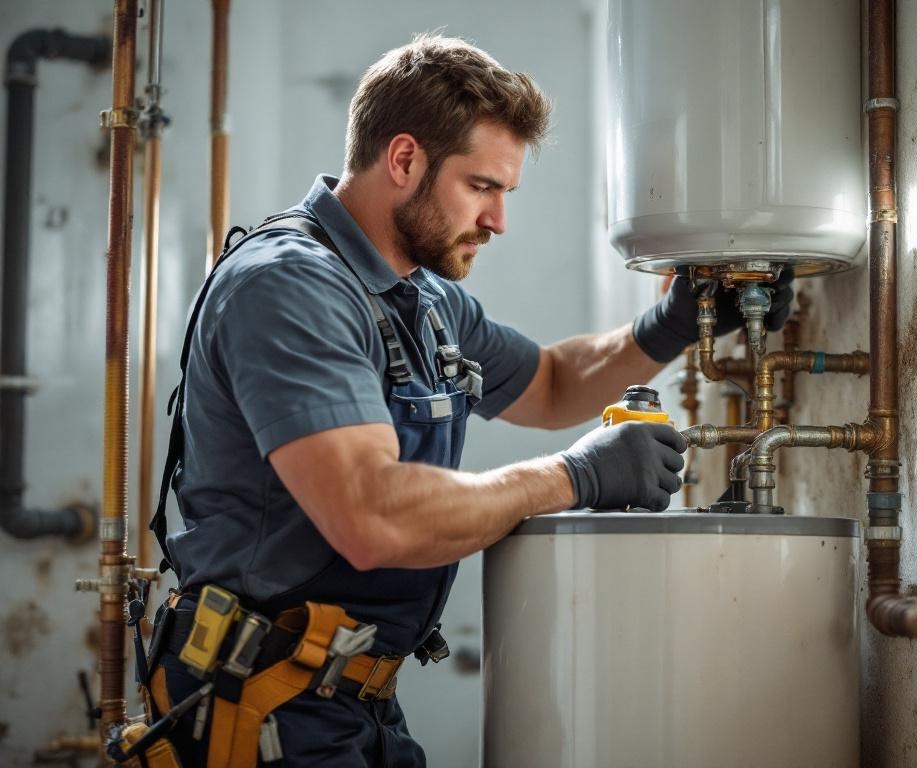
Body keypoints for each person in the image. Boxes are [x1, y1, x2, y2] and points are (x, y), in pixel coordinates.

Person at [143, 33, 792, 768]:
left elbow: (550, 383)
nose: (498, 220)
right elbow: (372, 516)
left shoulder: (423, 300)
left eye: (505, 193)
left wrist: (672, 321)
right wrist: (574, 477)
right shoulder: (291, 287)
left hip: (352, 703)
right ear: (404, 159)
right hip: (259, 712)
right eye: (482, 187)